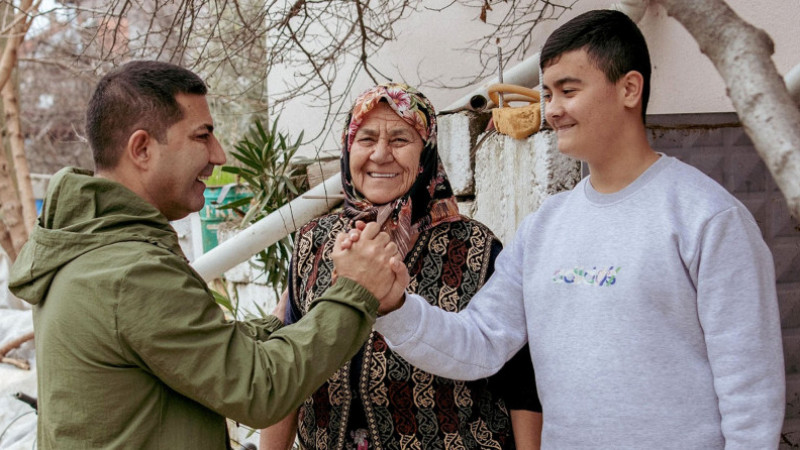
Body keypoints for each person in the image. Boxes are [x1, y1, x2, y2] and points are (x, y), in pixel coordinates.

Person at [365, 10, 786, 449]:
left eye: (568, 90)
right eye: (547, 93)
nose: (553, 109)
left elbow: (751, 394)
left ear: (629, 88)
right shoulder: (544, 227)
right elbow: (481, 342)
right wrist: (395, 306)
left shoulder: (708, 217)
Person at [8, 60, 404, 449]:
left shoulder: (92, 245)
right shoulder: (130, 272)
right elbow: (260, 389)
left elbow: (190, 351)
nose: (218, 155)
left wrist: (281, 322)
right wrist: (354, 290)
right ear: (142, 148)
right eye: (202, 136)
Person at [260, 83, 543, 450]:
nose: (380, 154)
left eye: (399, 139)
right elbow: (287, 376)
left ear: (426, 151)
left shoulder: (476, 247)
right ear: (348, 149)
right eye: (365, 139)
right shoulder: (313, 244)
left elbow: (522, 385)